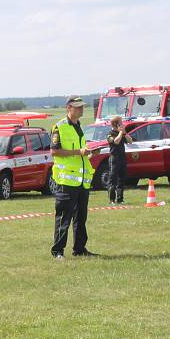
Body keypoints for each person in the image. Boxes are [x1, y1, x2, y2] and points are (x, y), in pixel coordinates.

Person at [50, 96, 99, 259]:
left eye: (82, 107)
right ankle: (58, 251)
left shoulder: (79, 126)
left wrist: (90, 153)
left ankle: (80, 248)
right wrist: (79, 152)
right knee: (64, 218)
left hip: (81, 182)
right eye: (77, 107)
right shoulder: (59, 127)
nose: (81, 109)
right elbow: (54, 151)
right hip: (66, 181)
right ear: (68, 108)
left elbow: (80, 152)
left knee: (81, 218)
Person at [106, 116, 132, 204]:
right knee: (113, 179)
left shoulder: (122, 133)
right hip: (114, 158)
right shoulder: (110, 133)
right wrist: (120, 133)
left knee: (122, 179)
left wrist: (125, 133)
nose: (123, 124)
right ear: (116, 124)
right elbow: (116, 141)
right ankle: (111, 199)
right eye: (121, 122)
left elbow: (130, 141)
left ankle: (120, 199)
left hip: (122, 158)